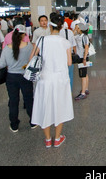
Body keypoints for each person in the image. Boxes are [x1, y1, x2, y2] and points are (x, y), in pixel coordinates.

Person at [31, 13, 74, 148]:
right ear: (61, 27)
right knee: (59, 106)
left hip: (44, 78)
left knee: (45, 106)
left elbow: (32, 56)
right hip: (61, 79)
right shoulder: (65, 42)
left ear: (50, 25)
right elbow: (69, 62)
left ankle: (48, 139)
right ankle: (58, 138)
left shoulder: (41, 40)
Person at [0, 24, 35, 133]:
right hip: (26, 76)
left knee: (13, 101)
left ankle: (14, 125)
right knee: (29, 99)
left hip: (11, 77)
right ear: (24, 34)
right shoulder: (29, 46)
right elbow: (33, 60)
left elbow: (1, 64)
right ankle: (33, 122)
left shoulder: (7, 48)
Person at [74, 23, 90, 100]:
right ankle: (85, 88)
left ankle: (83, 93)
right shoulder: (79, 36)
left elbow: (86, 47)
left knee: (83, 75)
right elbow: (72, 37)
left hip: (83, 57)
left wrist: (84, 58)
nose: (76, 29)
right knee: (85, 73)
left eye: (77, 28)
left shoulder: (84, 37)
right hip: (82, 57)